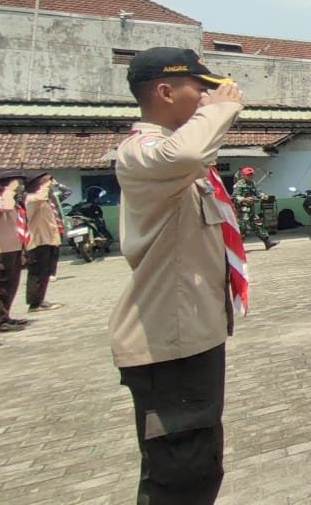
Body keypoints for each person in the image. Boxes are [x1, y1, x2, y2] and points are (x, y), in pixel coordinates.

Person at [111, 47, 245, 504]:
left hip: (191, 338)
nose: (209, 97)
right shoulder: (143, 152)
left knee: (199, 466)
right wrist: (222, 108)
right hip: (169, 346)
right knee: (178, 476)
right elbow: (188, 151)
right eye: (200, 88)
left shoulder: (177, 164)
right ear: (165, 91)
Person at [0, 171, 32, 333]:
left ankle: (6, 316)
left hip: (14, 249)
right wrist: (9, 190)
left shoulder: (14, 203)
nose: (19, 188)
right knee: (2, 286)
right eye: (15, 184)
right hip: (1, 251)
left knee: (12, 284)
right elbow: (5, 208)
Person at [23, 172, 65, 312]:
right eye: (46, 182)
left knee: (45, 272)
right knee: (37, 273)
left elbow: (63, 193)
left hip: (48, 240)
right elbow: (39, 197)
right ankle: (34, 303)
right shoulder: (31, 199)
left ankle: (40, 299)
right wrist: (46, 184)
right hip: (37, 241)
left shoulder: (46, 200)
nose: (50, 184)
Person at [231, 167, 277, 250]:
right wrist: (245, 199)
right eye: (248, 175)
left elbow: (258, 193)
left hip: (251, 209)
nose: (250, 176)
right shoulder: (239, 185)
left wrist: (264, 196)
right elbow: (235, 197)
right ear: (243, 175)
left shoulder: (252, 183)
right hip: (242, 211)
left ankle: (268, 242)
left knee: (258, 224)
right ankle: (237, 247)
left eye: (251, 174)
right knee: (242, 228)